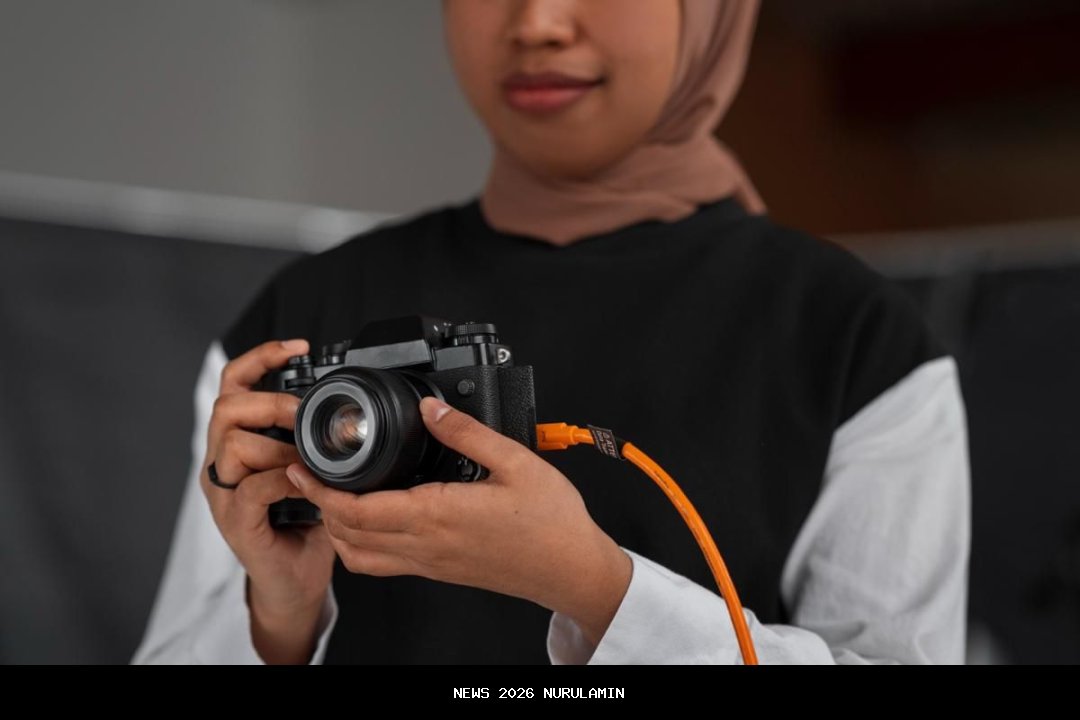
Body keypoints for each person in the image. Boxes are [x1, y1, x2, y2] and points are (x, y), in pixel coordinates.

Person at [134, 0, 970, 665]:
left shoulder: (855, 339)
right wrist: (277, 615)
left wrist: (597, 591)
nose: (536, 22)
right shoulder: (291, 321)